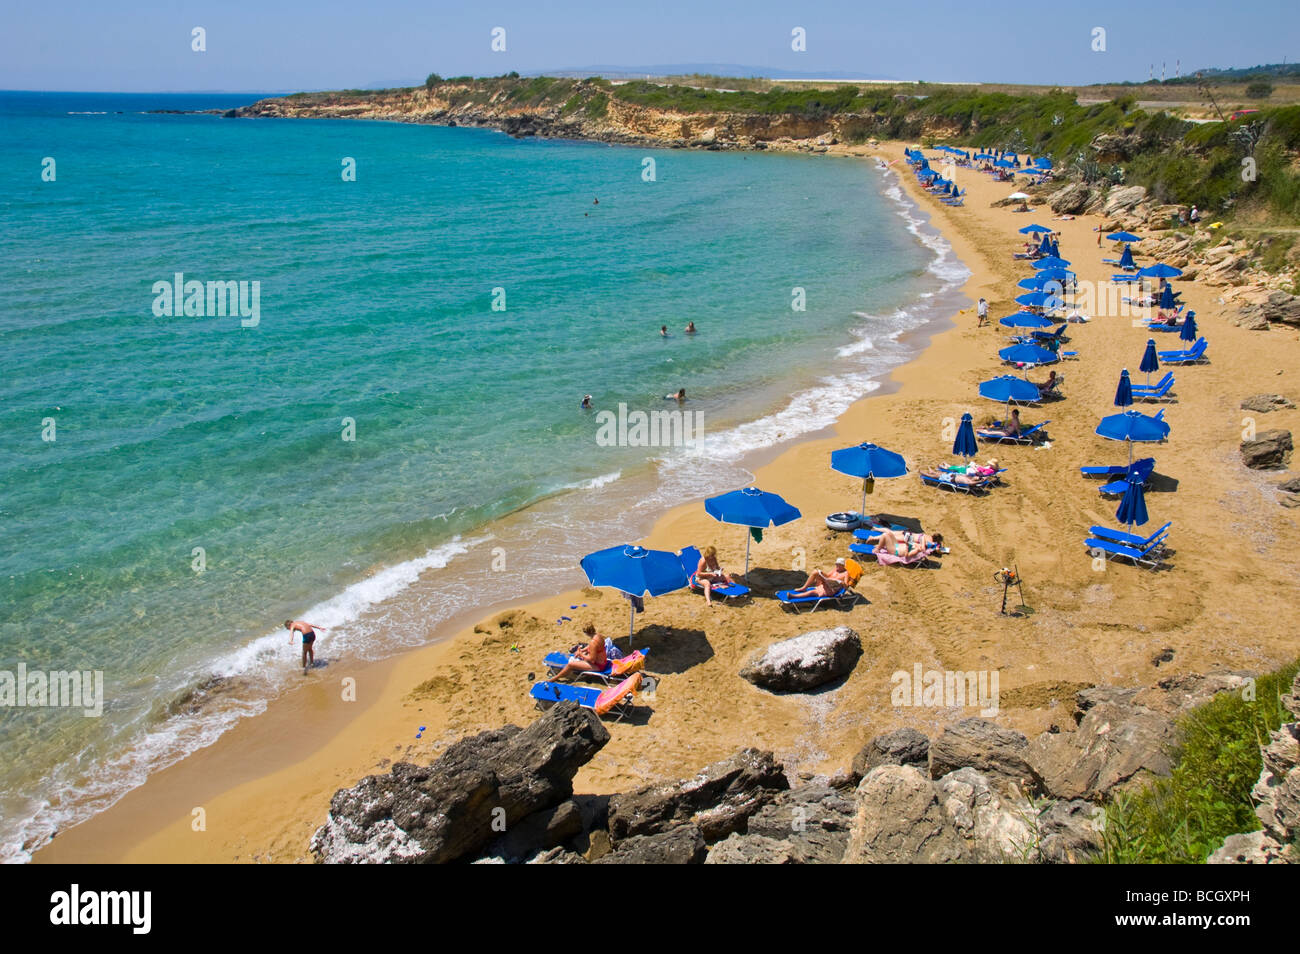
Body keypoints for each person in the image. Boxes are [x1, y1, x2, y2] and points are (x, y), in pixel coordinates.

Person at [874, 528, 944, 558]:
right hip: (908, 538)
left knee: (890, 534)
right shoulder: (929, 542)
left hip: (909, 535)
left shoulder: (927, 536)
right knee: (889, 536)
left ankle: (876, 530)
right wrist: (938, 546)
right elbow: (942, 550)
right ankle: (874, 538)